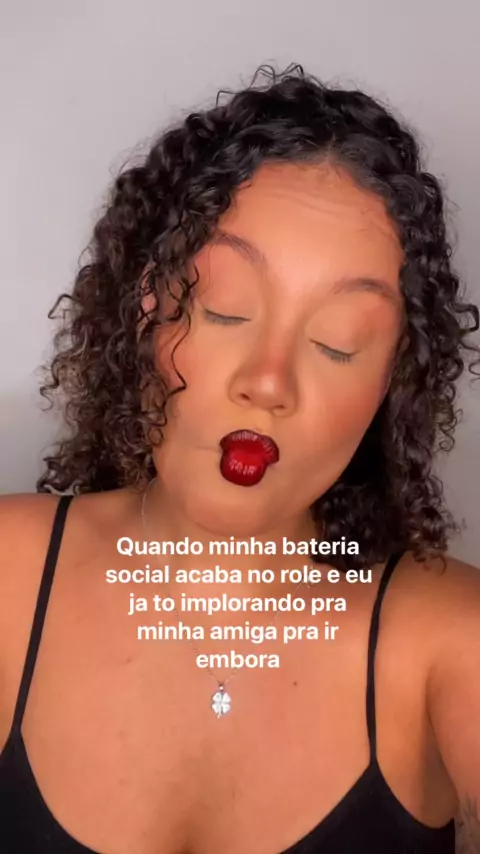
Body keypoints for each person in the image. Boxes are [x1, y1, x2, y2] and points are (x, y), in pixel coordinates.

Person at [0, 61, 479, 854]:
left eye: (338, 344)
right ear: (149, 305)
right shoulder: (8, 579)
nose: (268, 383)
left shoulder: (448, 639)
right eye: (225, 311)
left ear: (391, 383)